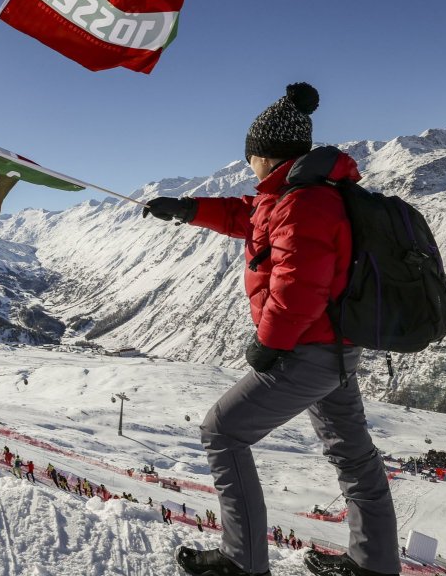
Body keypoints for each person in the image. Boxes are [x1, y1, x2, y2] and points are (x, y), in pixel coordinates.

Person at [155, 84, 399, 576]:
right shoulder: (300, 194)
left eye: (250, 160)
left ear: (263, 156)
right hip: (334, 348)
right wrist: (188, 209)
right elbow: (247, 215)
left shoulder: (302, 202)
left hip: (307, 350)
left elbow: (297, 284)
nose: (250, 168)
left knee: (221, 432)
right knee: (353, 455)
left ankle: (241, 562)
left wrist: (269, 343)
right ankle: (374, 563)